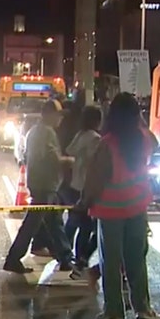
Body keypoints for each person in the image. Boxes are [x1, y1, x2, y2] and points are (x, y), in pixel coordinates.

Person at [79, 93, 159, 319]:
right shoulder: (144, 139)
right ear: (136, 115)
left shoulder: (107, 144)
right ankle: (143, 307)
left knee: (111, 262)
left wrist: (84, 202)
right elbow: (154, 142)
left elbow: (96, 179)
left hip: (110, 210)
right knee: (136, 259)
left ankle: (114, 312)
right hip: (137, 206)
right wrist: (139, 119)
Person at [5, 99, 75, 274]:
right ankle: (13, 258)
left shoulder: (34, 131)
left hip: (40, 183)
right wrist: (71, 161)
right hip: (45, 184)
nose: (60, 119)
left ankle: (65, 257)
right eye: (58, 115)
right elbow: (52, 158)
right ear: (49, 114)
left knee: (54, 222)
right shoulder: (47, 133)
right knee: (32, 224)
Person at [63, 104, 101, 271]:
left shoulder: (80, 135)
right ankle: (80, 257)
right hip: (85, 186)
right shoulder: (95, 138)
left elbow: (69, 150)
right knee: (86, 226)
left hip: (74, 184)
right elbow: (95, 162)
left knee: (73, 221)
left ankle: (64, 252)